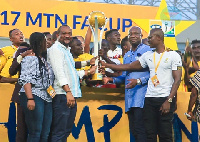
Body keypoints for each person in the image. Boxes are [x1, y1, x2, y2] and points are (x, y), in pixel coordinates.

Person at [101, 28, 182, 142]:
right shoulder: (148, 55)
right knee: (149, 133)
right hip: (149, 98)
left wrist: (168, 100)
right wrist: (105, 64)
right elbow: (129, 67)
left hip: (165, 97)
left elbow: (177, 79)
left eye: (150, 37)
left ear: (159, 38)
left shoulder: (173, 55)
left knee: (165, 134)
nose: (148, 40)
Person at [47, 25, 96, 142]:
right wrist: (68, 91)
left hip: (70, 95)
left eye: (69, 33)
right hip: (62, 95)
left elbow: (71, 73)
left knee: (66, 130)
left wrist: (88, 71)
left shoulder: (66, 50)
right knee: (59, 131)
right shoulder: (56, 50)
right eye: (64, 33)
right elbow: (59, 73)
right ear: (58, 35)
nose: (67, 36)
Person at [103, 26, 151, 142]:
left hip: (142, 98)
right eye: (131, 34)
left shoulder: (148, 51)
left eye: (136, 33)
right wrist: (111, 80)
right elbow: (125, 75)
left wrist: (139, 81)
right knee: (134, 130)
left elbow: (154, 74)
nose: (133, 36)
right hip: (130, 99)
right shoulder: (127, 55)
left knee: (141, 130)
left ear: (141, 36)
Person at [18, 32, 54, 142]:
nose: (47, 43)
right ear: (39, 43)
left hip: (47, 97)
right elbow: (26, 79)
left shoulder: (43, 59)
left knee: (45, 132)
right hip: (34, 95)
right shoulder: (30, 58)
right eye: (45, 41)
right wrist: (30, 99)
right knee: (35, 131)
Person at [9, 42, 33, 142]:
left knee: (36, 130)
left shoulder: (43, 55)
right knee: (22, 130)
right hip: (22, 97)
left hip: (40, 97)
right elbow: (12, 71)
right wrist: (21, 56)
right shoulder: (22, 56)